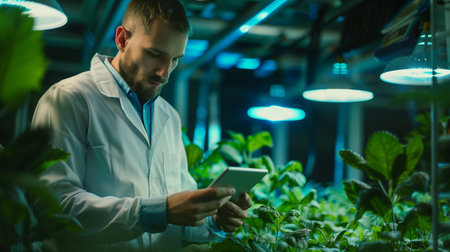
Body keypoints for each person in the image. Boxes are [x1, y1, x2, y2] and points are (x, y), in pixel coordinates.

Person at [31, 0, 252, 251]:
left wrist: (213, 221)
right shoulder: (69, 98)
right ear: (122, 39)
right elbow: (54, 207)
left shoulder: (169, 117)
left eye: (175, 59)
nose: (164, 72)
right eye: (154, 54)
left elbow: (178, 217)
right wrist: (160, 211)